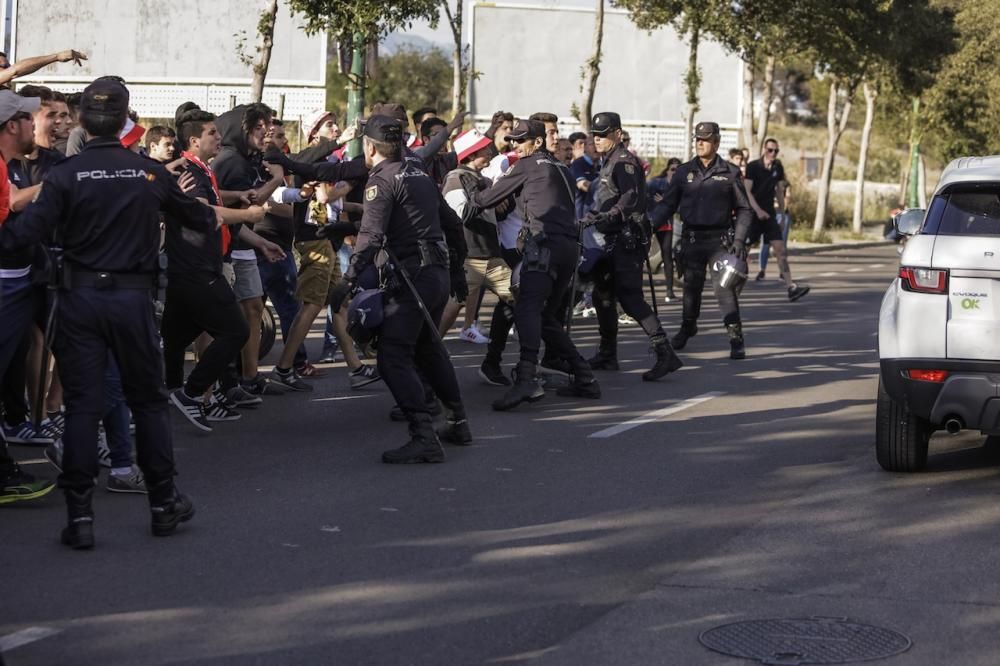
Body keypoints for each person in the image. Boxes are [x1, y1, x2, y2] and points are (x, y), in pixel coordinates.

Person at [0, 78, 217, 547]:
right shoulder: (148, 173)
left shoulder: (64, 174)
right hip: (131, 301)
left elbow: (21, 235)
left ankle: (79, 517)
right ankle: (163, 502)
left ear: (82, 120)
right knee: (148, 401)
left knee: (83, 405)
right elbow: (200, 217)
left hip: (78, 300)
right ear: (123, 121)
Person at [342, 115, 470, 464]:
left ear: (369, 147)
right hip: (436, 273)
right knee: (428, 347)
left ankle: (423, 435)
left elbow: (371, 237)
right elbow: (452, 224)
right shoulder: (419, 175)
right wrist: (456, 272)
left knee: (392, 356)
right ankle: (458, 422)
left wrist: (348, 279)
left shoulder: (380, 180)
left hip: (411, 278)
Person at [473, 119, 600, 409]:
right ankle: (584, 376)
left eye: (521, 141)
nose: (515, 145)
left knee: (527, 309)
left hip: (542, 246)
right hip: (567, 249)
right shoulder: (563, 170)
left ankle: (526, 379)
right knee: (544, 318)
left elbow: (484, 199)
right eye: (513, 140)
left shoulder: (528, 165)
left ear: (537, 143)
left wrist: (463, 190)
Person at [583, 112, 683, 381]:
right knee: (601, 295)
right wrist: (594, 214)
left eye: (604, 134)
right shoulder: (609, 160)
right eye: (596, 134)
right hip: (609, 238)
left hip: (626, 239)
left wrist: (612, 213)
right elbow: (609, 195)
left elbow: (630, 196)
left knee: (630, 298)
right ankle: (607, 353)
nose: (598, 139)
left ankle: (665, 353)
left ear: (618, 134)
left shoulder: (624, 162)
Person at [0, 89, 56, 504]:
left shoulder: (8, 165)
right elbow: (12, 216)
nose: (34, 124)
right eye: (27, 117)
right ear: (12, 126)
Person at [660, 121, 754, 359]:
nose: (700, 143)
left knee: (725, 288)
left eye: (706, 139)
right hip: (691, 240)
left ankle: (735, 336)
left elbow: (744, 210)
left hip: (720, 242)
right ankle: (688, 326)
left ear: (717, 142)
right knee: (691, 290)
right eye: (697, 139)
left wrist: (740, 240)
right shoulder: (683, 172)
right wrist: (648, 224)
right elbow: (668, 205)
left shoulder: (730, 173)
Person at [441, 128, 516, 386]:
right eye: (484, 147)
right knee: (453, 306)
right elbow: (460, 213)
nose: (489, 150)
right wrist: (489, 200)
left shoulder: (483, 179)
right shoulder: (455, 178)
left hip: (492, 255)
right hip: (468, 256)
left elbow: (496, 213)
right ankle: (427, 355)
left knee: (517, 298)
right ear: (472, 153)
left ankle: (494, 362)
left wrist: (505, 201)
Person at [745, 138, 809, 301]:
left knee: (780, 250)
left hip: (769, 215)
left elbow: (779, 190)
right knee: (743, 250)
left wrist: (782, 213)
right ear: (764, 150)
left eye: (775, 151)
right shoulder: (753, 167)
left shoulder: (777, 167)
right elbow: (747, 191)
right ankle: (733, 285)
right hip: (753, 214)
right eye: (770, 150)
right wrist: (757, 210)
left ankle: (791, 287)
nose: (773, 154)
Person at [648, 157, 681, 301]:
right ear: (667, 170)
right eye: (673, 169)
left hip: (666, 224)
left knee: (667, 256)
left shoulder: (680, 187)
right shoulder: (655, 182)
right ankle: (638, 292)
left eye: (678, 170)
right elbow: (643, 192)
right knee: (642, 254)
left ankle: (669, 292)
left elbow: (682, 207)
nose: (675, 172)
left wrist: (666, 201)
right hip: (650, 221)